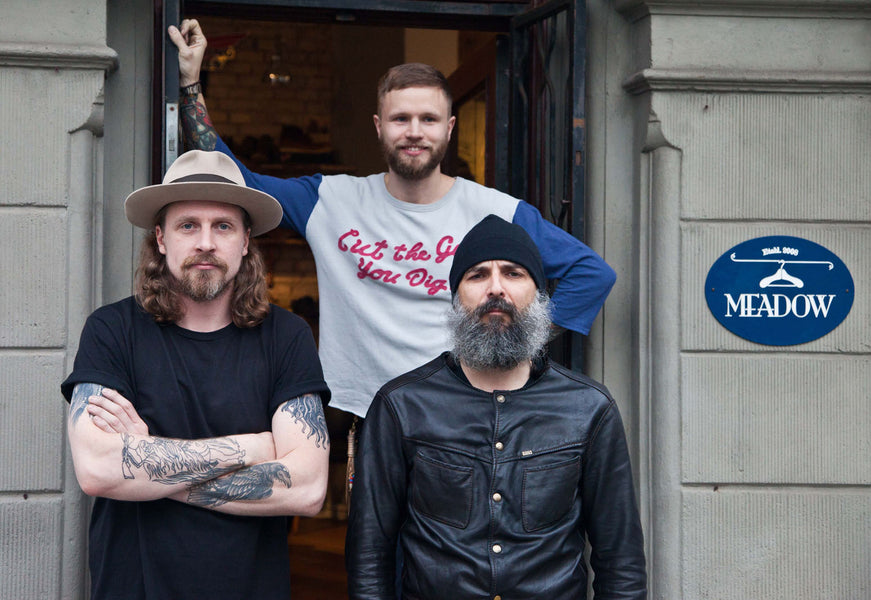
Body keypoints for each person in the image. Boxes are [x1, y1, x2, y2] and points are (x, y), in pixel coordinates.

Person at [167, 20, 618, 426]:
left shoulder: (495, 211)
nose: (414, 131)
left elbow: (590, 274)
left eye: (429, 119)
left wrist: (515, 341)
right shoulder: (330, 200)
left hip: (465, 415)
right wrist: (190, 83)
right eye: (401, 118)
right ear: (379, 126)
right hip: (368, 415)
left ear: (449, 127)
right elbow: (234, 179)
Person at [61, 150, 331, 600]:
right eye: (188, 225)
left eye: (223, 226)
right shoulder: (112, 330)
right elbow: (97, 469)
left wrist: (149, 466)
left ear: (245, 241)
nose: (206, 242)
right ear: (161, 239)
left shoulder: (286, 337)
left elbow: (306, 488)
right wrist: (254, 447)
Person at [346, 215, 647, 599]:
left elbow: (620, 561)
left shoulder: (589, 408)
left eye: (513, 273)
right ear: (456, 298)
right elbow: (370, 554)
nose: (496, 288)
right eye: (477, 275)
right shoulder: (401, 406)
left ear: (539, 296)